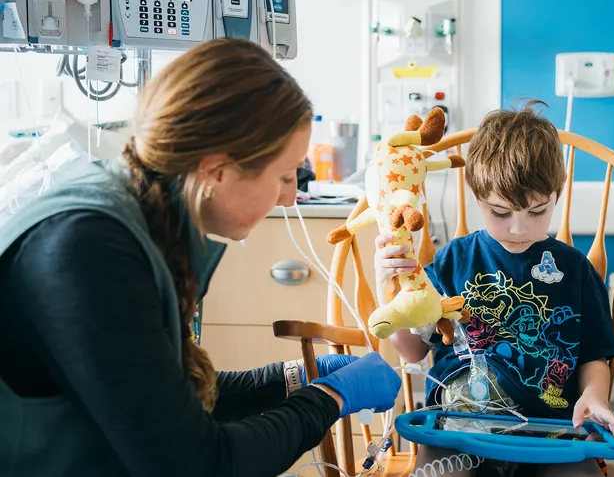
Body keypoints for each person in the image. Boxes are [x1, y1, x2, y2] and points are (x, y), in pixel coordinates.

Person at [0, 38, 401, 477]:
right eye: (285, 175)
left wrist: (297, 376)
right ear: (216, 169)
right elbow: (199, 463)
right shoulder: (88, 252)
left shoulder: (136, 219)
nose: (290, 197)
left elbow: (164, 403)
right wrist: (331, 397)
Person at [374, 101, 614, 476]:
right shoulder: (452, 262)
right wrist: (386, 288)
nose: (519, 228)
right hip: (460, 430)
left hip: (552, 435)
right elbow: (411, 350)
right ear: (476, 196)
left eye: (537, 212)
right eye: (501, 213)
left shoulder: (575, 271)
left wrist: (594, 396)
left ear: (558, 192)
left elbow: (594, 357)